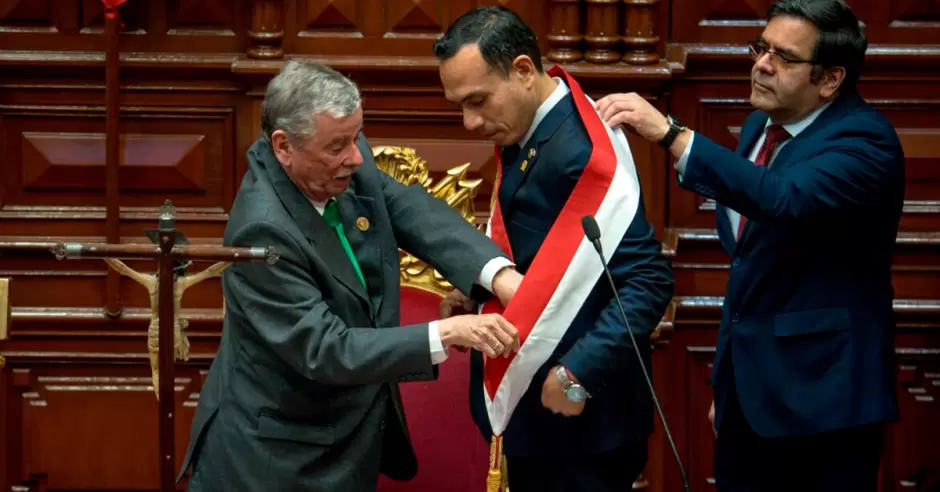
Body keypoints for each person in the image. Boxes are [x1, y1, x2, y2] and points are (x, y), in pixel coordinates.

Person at [177, 59, 527, 492]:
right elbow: (327, 348)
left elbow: (407, 208)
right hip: (276, 459)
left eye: (356, 136)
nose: (357, 157)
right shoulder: (262, 230)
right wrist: (448, 332)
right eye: (337, 146)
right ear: (284, 146)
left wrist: (497, 275)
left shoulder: (334, 157)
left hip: (347, 438)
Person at [595, 1, 903, 490]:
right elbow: (750, 265)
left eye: (784, 57)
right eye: (761, 48)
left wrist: (672, 134)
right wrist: (731, 385)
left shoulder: (866, 142)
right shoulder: (762, 126)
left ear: (830, 79)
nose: (761, 64)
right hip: (749, 398)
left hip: (824, 404)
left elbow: (781, 198)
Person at [434, 7, 674, 492]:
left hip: (578, 427)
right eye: (459, 104)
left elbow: (648, 280)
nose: (469, 121)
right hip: (543, 423)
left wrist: (578, 373)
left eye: (478, 100)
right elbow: (549, 256)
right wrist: (480, 292)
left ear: (523, 70)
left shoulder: (579, 151)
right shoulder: (537, 127)